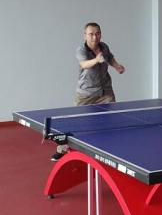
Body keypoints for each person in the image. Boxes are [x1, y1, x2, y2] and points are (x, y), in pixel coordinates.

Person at [53, 22, 126, 161]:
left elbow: (109, 57)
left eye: (97, 33)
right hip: (86, 93)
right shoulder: (81, 50)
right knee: (76, 123)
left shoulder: (104, 47)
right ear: (85, 35)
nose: (94, 37)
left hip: (105, 92)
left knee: (109, 120)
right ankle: (62, 149)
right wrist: (96, 59)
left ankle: (105, 148)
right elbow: (84, 64)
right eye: (91, 34)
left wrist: (117, 66)